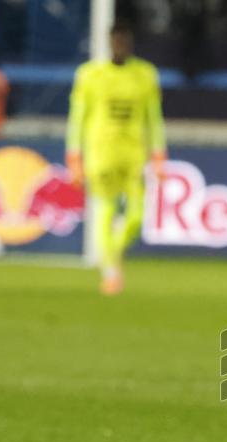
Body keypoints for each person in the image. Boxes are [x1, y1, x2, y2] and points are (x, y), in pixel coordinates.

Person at [65, 21, 166, 295]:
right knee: (105, 210)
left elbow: (153, 119)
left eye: (124, 42)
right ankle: (110, 272)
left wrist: (159, 155)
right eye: (116, 42)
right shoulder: (89, 75)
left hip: (134, 153)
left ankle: (112, 250)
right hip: (101, 153)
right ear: (109, 43)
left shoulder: (145, 74)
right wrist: (74, 157)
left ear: (130, 44)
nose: (120, 47)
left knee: (136, 215)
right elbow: (77, 119)